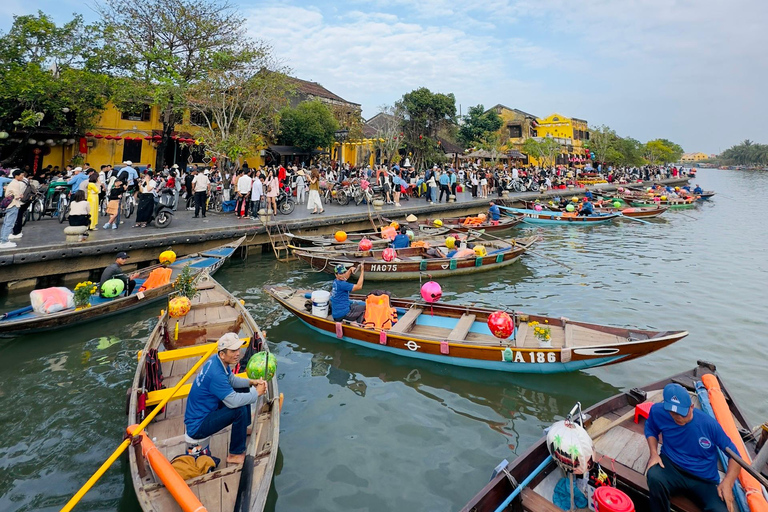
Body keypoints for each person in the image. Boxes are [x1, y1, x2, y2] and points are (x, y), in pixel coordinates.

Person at [645, 383, 739, 512]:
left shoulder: (709, 424)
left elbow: (735, 455)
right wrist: (654, 454)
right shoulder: (657, 411)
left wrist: (728, 482)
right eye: (673, 413)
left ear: (691, 407)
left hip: (703, 478)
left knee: (721, 510)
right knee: (654, 476)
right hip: (672, 466)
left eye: (683, 414)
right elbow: (651, 428)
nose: (678, 417)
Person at [185, 333, 267, 464]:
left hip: (209, 409)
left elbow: (232, 380)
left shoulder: (216, 361)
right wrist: (256, 393)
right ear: (222, 354)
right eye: (233, 351)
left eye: (238, 349)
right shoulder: (216, 373)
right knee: (238, 409)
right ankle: (235, 454)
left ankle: (242, 429)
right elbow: (233, 401)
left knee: (243, 389)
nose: (238, 353)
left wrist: (251, 382)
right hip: (198, 426)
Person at [0, 169, 28, 249]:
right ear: (16, 176)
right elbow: (17, 195)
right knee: (9, 223)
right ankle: (4, 241)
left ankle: (3, 240)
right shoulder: (16, 184)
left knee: (6, 223)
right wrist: (20, 196)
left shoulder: (12, 183)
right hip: (13, 205)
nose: (22, 177)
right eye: (21, 175)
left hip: (10, 205)